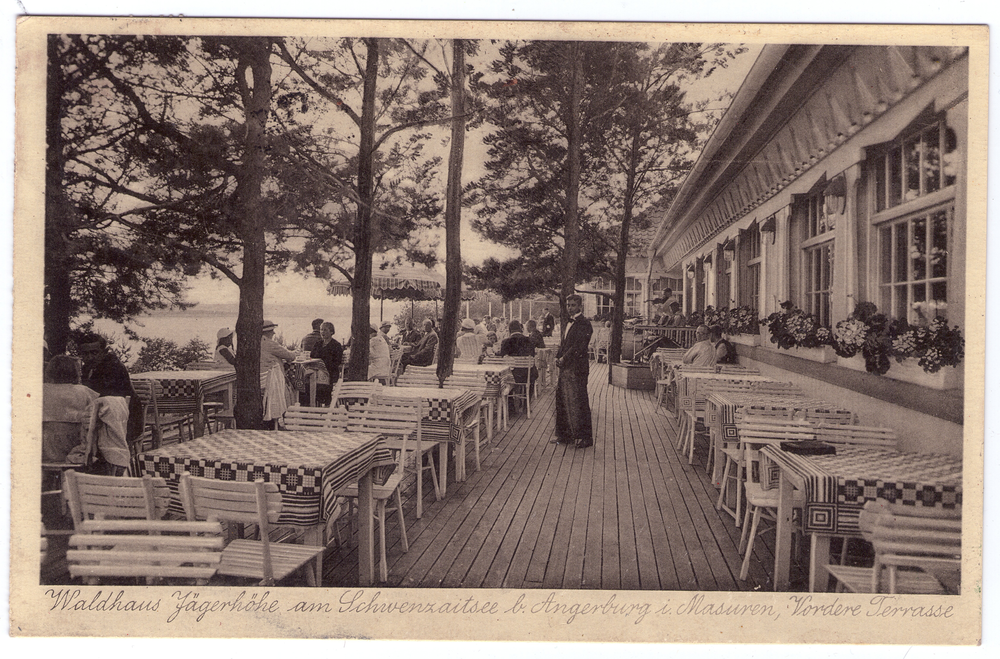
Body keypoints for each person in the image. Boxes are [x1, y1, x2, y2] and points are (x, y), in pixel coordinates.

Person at [77, 332, 144, 442]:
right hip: (104, 417)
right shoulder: (87, 368)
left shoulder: (113, 367)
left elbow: (102, 397)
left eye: (94, 353)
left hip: (126, 422)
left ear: (104, 352)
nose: (89, 357)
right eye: (85, 354)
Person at [552, 295, 593, 449]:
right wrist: (558, 356)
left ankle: (586, 438)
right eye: (568, 305)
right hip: (566, 367)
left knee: (580, 401)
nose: (570, 308)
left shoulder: (585, 324)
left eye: (573, 305)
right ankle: (565, 435)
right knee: (562, 399)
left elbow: (578, 347)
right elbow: (564, 343)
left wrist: (564, 359)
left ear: (580, 306)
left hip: (578, 368)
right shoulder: (569, 322)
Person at [43, 355, 99, 463]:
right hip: (75, 450)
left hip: (43, 451)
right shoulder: (84, 392)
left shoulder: (40, 390)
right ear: (75, 372)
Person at [260, 320, 296, 428]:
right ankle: (286, 420)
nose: (274, 334)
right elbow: (290, 356)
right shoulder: (269, 343)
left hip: (260, 380)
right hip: (271, 381)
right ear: (268, 332)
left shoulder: (255, 342)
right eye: (272, 331)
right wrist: (295, 352)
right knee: (290, 391)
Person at [499, 320, 538, 410]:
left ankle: (510, 405)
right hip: (527, 375)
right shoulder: (530, 340)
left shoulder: (505, 342)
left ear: (509, 330)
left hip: (511, 376)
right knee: (532, 374)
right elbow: (531, 357)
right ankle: (526, 405)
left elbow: (503, 359)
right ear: (521, 329)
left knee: (505, 376)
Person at [309, 321, 343, 406]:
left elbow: (337, 362)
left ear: (331, 332)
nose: (322, 332)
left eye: (325, 330)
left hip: (330, 372)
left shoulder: (336, 345)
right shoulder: (318, 344)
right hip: (317, 371)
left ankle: (324, 404)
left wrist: (323, 366)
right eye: (321, 330)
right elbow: (311, 356)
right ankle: (311, 403)